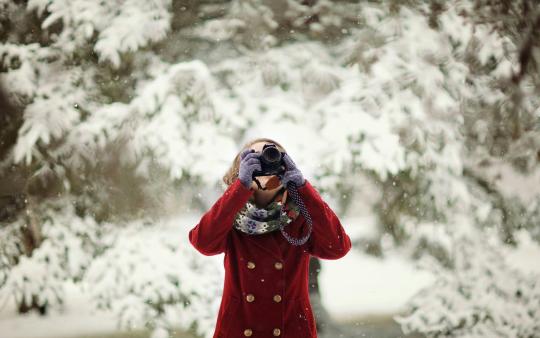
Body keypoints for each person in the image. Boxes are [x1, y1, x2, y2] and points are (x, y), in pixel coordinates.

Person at [188, 137, 352, 338]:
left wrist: (302, 187)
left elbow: (337, 247)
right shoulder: (229, 214)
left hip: (290, 329)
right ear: (240, 168)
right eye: (254, 157)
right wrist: (240, 187)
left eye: (273, 155)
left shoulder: (300, 215)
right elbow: (203, 242)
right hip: (239, 329)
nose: (265, 160)